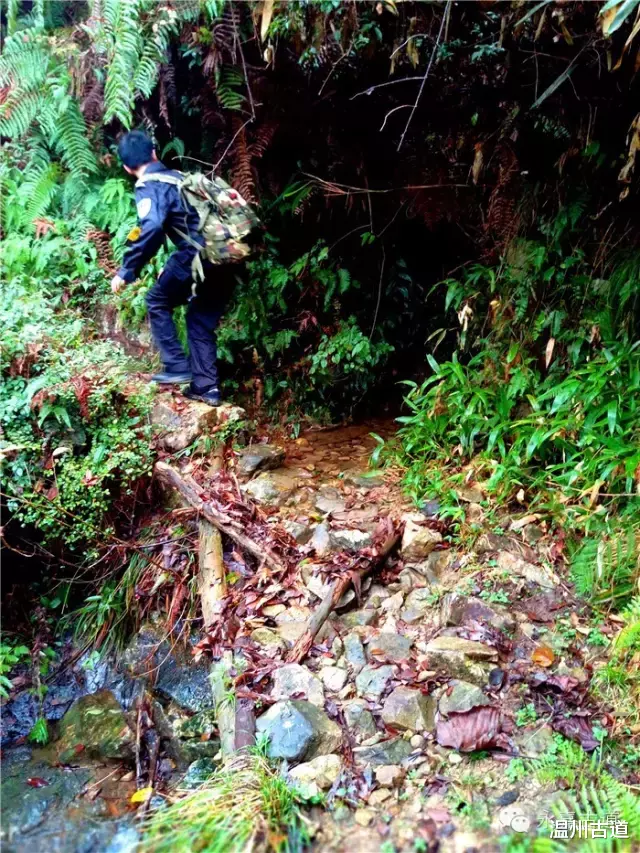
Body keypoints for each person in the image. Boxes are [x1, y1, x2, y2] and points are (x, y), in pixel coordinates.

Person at [111, 130, 237, 406]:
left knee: (156, 299)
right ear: (155, 153)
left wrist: (126, 270)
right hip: (226, 255)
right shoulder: (179, 178)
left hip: (197, 257)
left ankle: (177, 367)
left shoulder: (148, 185)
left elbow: (153, 226)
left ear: (126, 167)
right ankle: (207, 388)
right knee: (199, 317)